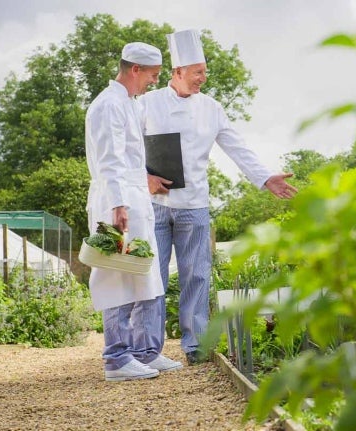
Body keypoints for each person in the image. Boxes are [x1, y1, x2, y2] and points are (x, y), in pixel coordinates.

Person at [140, 29, 297, 365]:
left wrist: (265, 177)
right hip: (153, 204)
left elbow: (236, 146)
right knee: (152, 274)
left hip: (194, 205)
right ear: (178, 72)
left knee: (196, 274)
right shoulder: (146, 104)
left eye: (205, 71)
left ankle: (195, 345)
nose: (203, 78)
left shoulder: (211, 108)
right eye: (198, 72)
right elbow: (126, 147)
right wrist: (145, 177)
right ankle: (148, 350)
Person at [85, 42, 184, 381]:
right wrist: (118, 204)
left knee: (142, 272)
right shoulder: (108, 105)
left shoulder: (127, 104)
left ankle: (142, 353)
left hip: (132, 198)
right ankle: (116, 358)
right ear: (135, 70)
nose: (154, 81)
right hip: (116, 201)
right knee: (116, 274)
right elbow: (110, 158)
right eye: (153, 76)